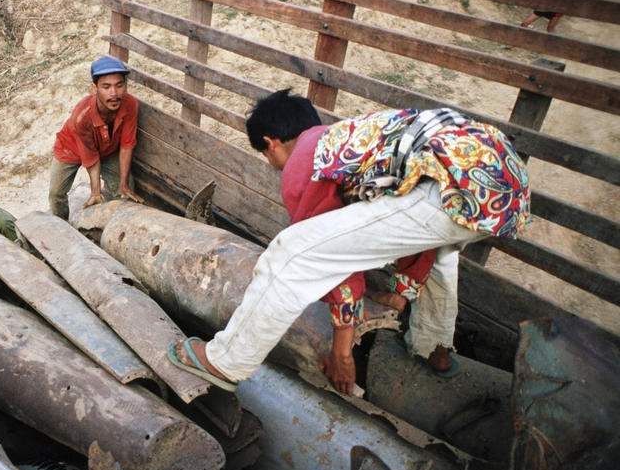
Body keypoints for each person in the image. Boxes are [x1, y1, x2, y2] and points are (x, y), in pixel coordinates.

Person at [168, 90, 530, 395]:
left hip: (454, 177)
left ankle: (226, 360)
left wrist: (343, 351)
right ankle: (433, 350)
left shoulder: (308, 155)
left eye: (267, 157)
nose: (274, 165)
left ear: (271, 143)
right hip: (500, 186)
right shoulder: (356, 140)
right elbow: (419, 238)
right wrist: (400, 294)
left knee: (291, 253)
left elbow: (327, 259)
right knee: (443, 253)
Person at [49, 55, 145, 219]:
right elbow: (90, 157)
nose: (114, 93)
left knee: (126, 190)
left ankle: (116, 224)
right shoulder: (82, 116)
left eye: (119, 85)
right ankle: (62, 224)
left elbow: (126, 145)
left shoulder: (130, 104)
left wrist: (123, 183)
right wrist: (95, 191)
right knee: (56, 193)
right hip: (70, 149)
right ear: (95, 88)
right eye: (106, 87)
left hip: (107, 150)